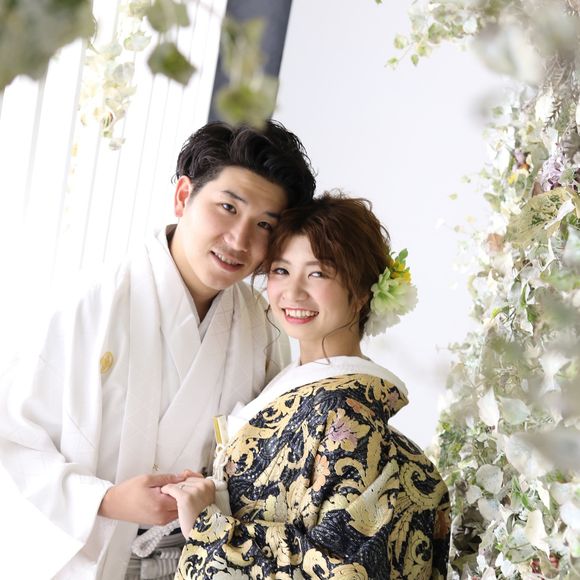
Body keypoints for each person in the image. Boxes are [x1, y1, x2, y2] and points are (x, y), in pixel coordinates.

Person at [0, 120, 316, 579]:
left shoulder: (261, 326)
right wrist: (106, 500)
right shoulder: (91, 301)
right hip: (89, 554)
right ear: (184, 196)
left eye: (264, 224)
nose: (239, 240)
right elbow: (11, 439)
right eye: (227, 208)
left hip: (194, 562)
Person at [163, 192, 451, 579]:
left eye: (317, 274)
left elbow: (342, 568)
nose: (293, 292)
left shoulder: (348, 416)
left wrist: (209, 528)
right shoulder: (292, 384)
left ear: (361, 292)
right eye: (281, 270)